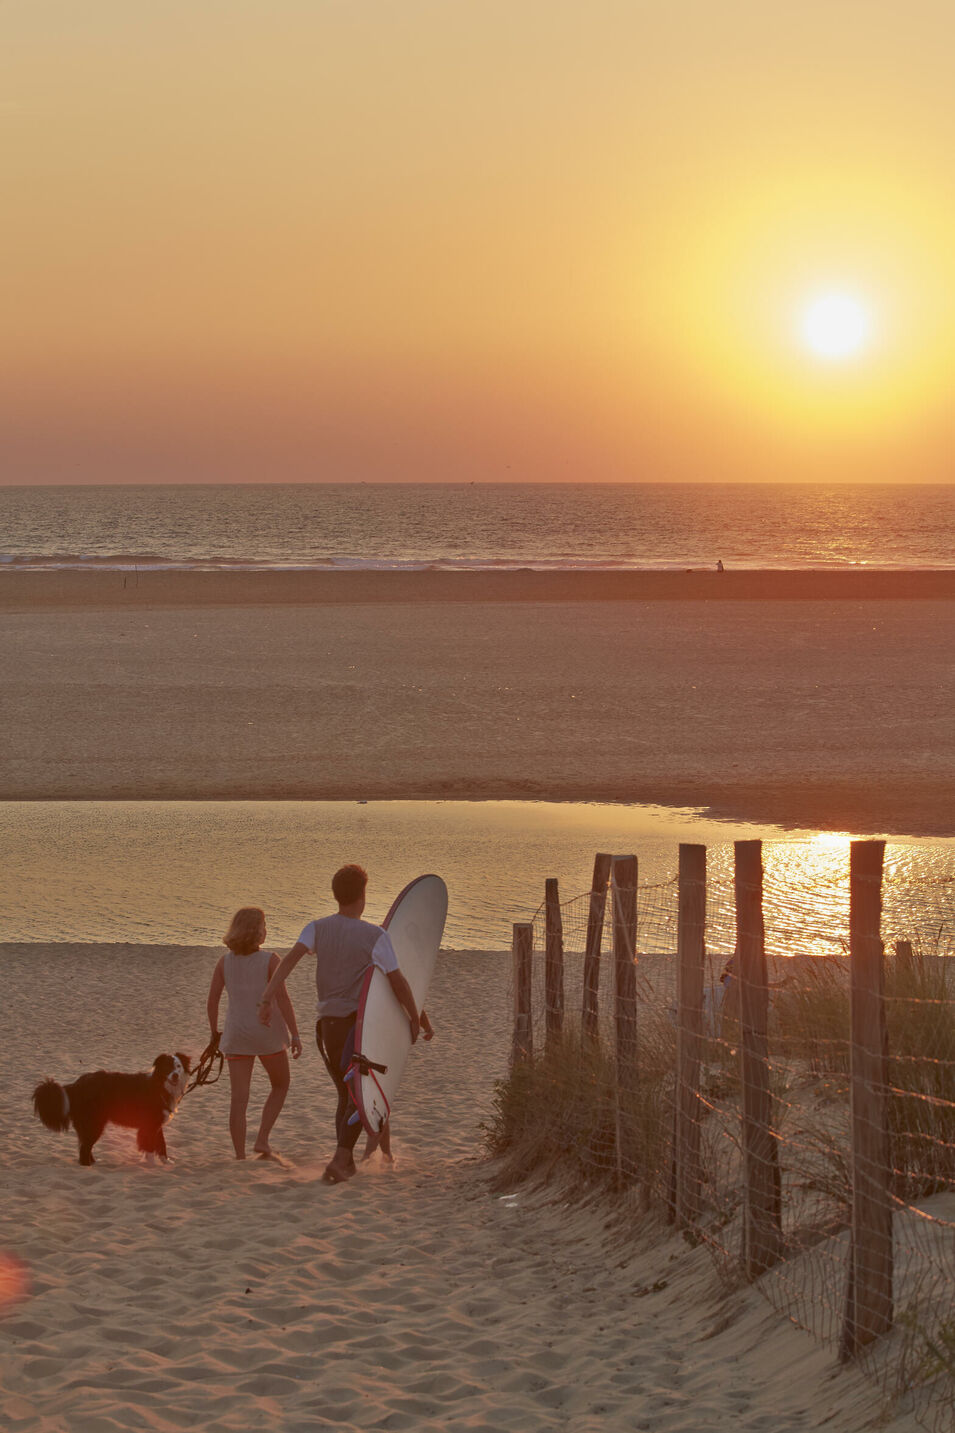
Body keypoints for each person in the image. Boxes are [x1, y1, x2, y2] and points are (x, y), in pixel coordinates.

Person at [258, 864, 427, 1185]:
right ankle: (341, 1159)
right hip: (358, 1028)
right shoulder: (375, 935)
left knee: (345, 1093)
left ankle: (349, 1158)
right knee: (355, 1095)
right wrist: (414, 1017)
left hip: (325, 1029)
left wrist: (267, 998)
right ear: (363, 896)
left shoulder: (316, 928)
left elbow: (289, 962)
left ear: (336, 895)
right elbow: (397, 981)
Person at [207, 906, 302, 1161]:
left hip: (236, 1035)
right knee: (281, 1085)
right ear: (256, 931)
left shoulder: (224, 962)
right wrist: (295, 1034)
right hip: (267, 1034)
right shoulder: (270, 960)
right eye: (263, 925)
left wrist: (214, 1031)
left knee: (239, 1099)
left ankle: (239, 1156)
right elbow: (282, 998)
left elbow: (213, 999)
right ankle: (262, 1140)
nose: (266, 930)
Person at [361, 1010, 435, 1164]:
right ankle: (368, 1157)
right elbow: (411, 1001)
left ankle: (386, 1155)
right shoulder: (389, 985)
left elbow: (411, 1000)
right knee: (379, 1102)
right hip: (380, 1046)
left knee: (380, 1102)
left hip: (368, 1041)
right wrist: (427, 1028)